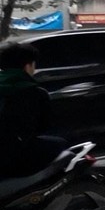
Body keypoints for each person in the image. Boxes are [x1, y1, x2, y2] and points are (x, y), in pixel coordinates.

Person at [0, 42, 68, 178]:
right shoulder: (36, 92)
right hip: (12, 155)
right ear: (28, 66)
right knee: (60, 145)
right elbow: (44, 126)